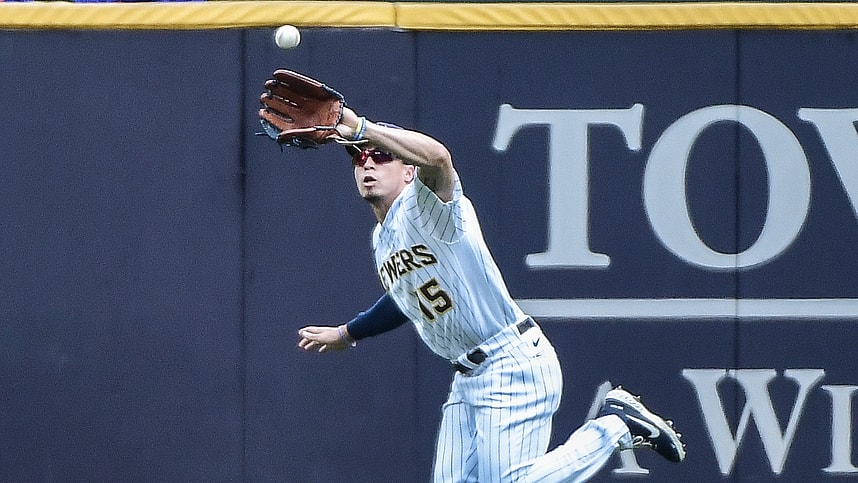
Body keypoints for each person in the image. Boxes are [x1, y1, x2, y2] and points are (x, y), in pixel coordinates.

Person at [297, 106, 686, 482]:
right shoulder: (383, 238)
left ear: (408, 170)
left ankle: (616, 426)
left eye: (381, 156)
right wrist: (348, 333)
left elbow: (439, 157)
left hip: (510, 362)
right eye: (358, 157)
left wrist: (358, 125)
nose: (367, 163)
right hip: (468, 377)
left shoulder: (424, 206)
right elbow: (408, 298)